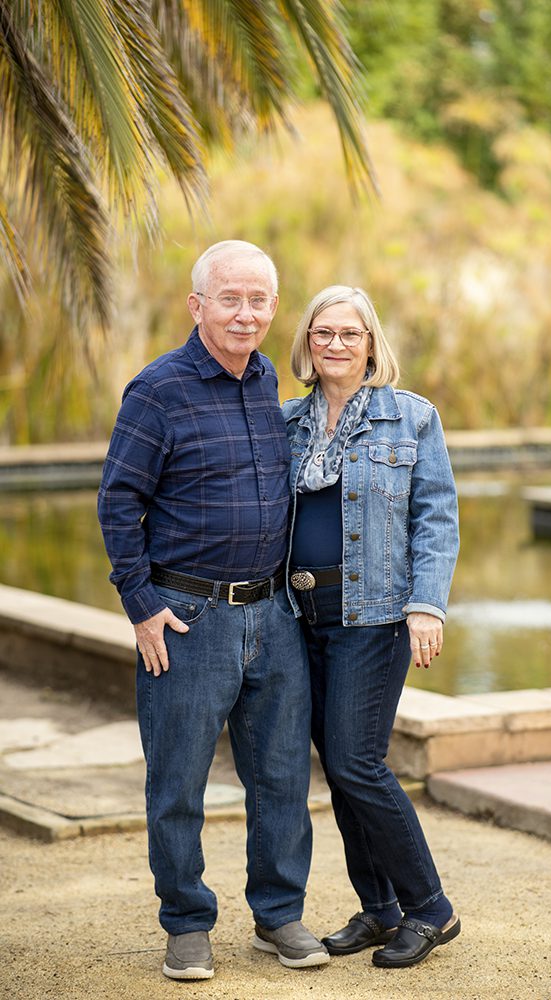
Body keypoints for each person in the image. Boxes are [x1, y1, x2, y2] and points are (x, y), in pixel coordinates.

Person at [98, 241, 329, 980]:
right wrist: (140, 605)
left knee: (283, 777)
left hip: (274, 616)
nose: (246, 313)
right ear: (197, 306)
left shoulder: (267, 382)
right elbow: (118, 502)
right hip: (186, 618)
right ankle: (186, 922)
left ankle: (279, 916)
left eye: (259, 299)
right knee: (178, 782)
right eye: (229, 298)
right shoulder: (157, 391)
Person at [282, 285, 461, 969]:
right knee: (341, 767)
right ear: (306, 342)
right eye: (322, 333)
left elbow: (436, 518)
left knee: (357, 760)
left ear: (369, 343)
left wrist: (426, 604)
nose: (334, 344)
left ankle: (430, 909)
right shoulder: (286, 423)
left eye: (348, 334)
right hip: (301, 618)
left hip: (376, 617)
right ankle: (380, 909)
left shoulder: (410, 419)